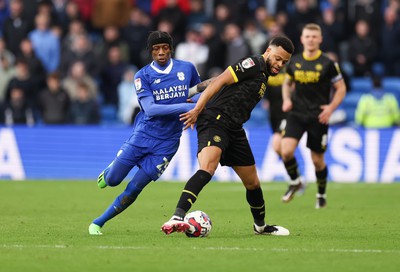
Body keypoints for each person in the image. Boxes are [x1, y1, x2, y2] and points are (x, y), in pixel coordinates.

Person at [161, 35, 294, 236]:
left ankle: (260, 227)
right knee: (208, 168)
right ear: (268, 50)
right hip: (215, 119)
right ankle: (177, 216)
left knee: (253, 182)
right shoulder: (255, 63)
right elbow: (222, 79)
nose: (279, 64)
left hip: (235, 127)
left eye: (284, 62)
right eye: (277, 58)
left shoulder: (264, 74)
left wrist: (190, 91)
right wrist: (198, 107)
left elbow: (218, 80)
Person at [88, 31, 210, 235]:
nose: (161, 52)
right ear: (150, 52)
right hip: (143, 135)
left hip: (168, 144)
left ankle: (98, 222)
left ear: (170, 49)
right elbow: (151, 109)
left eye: (164, 48)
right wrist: (185, 106)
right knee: (113, 181)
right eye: (156, 49)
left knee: (135, 188)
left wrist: (198, 105)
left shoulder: (186, 68)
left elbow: (198, 94)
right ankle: (110, 170)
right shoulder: (142, 75)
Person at [280, 23, 346, 209]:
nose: (310, 39)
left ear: (320, 39)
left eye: (314, 36)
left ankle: (321, 194)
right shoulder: (294, 61)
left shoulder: (328, 63)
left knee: (317, 160)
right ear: (301, 39)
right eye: (307, 36)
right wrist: (286, 99)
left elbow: (341, 88)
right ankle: (295, 181)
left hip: (318, 116)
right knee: (286, 151)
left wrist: (331, 108)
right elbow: (286, 83)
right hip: (297, 113)